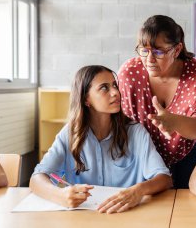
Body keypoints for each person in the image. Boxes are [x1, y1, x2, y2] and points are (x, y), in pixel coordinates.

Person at [30, 65, 172, 214]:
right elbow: (36, 179)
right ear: (86, 99)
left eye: (115, 85)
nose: (116, 92)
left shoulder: (136, 132)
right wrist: (60, 195)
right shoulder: (70, 134)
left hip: (127, 216)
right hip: (83, 219)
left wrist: (138, 191)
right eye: (104, 88)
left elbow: (164, 179)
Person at [118, 15, 196, 188]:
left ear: (177, 50)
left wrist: (174, 121)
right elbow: (124, 122)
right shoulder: (129, 73)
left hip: (190, 147)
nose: (149, 60)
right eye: (144, 50)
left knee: (188, 198)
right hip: (147, 150)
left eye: (158, 52)